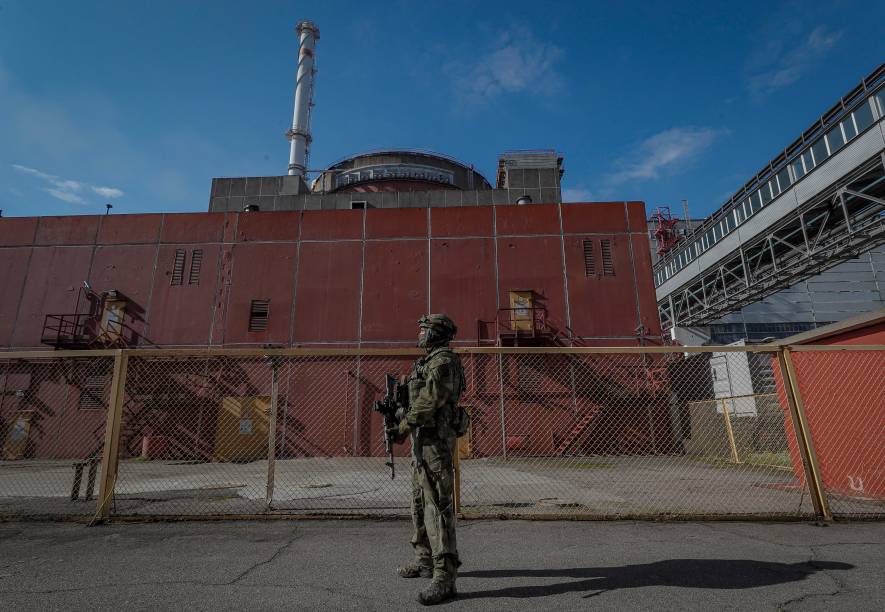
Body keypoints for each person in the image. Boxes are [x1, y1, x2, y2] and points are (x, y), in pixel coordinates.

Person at [389, 314, 465, 605]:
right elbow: (415, 401)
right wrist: (397, 411)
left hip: (436, 444)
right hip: (423, 443)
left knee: (438, 508)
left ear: (437, 333)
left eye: (424, 329)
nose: (420, 334)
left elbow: (429, 402)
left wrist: (403, 426)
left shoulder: (443, 361)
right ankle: (424, 560)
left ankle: (445, 577)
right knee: (420, 503)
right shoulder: (428, 361)